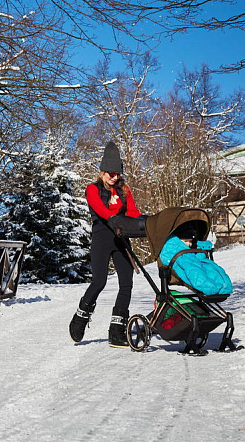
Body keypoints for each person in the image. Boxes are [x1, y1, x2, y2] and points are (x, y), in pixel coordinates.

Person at [69, 140, 146, 348]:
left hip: (121, 238)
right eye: (111, 173)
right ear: (102, 171)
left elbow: (132, 212)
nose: (114, 177)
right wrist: (113, 219)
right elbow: (100, 209)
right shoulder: (92, 189)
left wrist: (144, 223)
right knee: (99, 281)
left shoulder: (124, 190)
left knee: (126, 283)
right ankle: (80, 316)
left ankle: (116, 331)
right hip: (102, 236)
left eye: (117, 173)